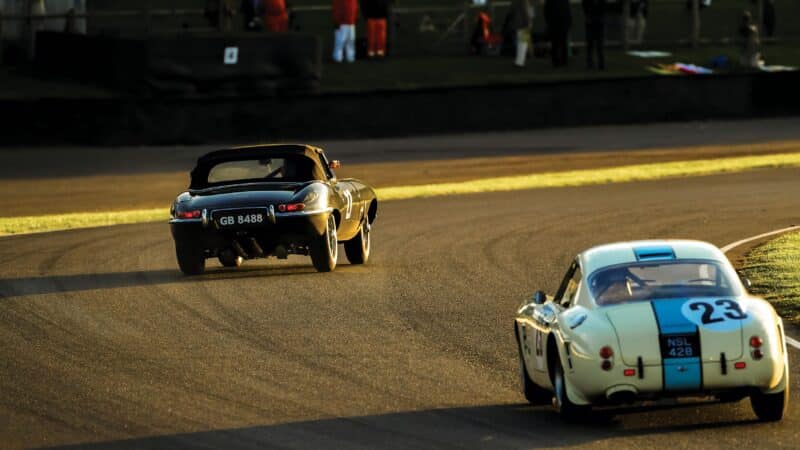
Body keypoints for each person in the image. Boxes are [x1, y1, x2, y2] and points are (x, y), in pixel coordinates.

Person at [544, 0, 572, 67]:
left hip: (554, 24)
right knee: (563, 44)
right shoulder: (565, 2)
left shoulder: (550, 2)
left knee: (555, 44)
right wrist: (568, 23)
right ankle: (564, 61)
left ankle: (556, 62)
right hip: (562, 25)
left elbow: (546, 12)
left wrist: (548, 23)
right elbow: (568, 11)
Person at [582, 0, 606, 70]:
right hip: (596, 21)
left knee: (592, 45)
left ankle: (592, 64)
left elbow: (585, 6)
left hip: (592, 21)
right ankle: (599, 64)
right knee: (597, 45)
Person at [511, 0, 533, 67]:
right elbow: (526, 12)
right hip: (523, 25)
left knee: (520, 43)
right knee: (523, 43)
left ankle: (519, 61)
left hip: (519, 24)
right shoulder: (524, 2)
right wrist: (529, 22)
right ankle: (520, 62)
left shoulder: (517, 2)